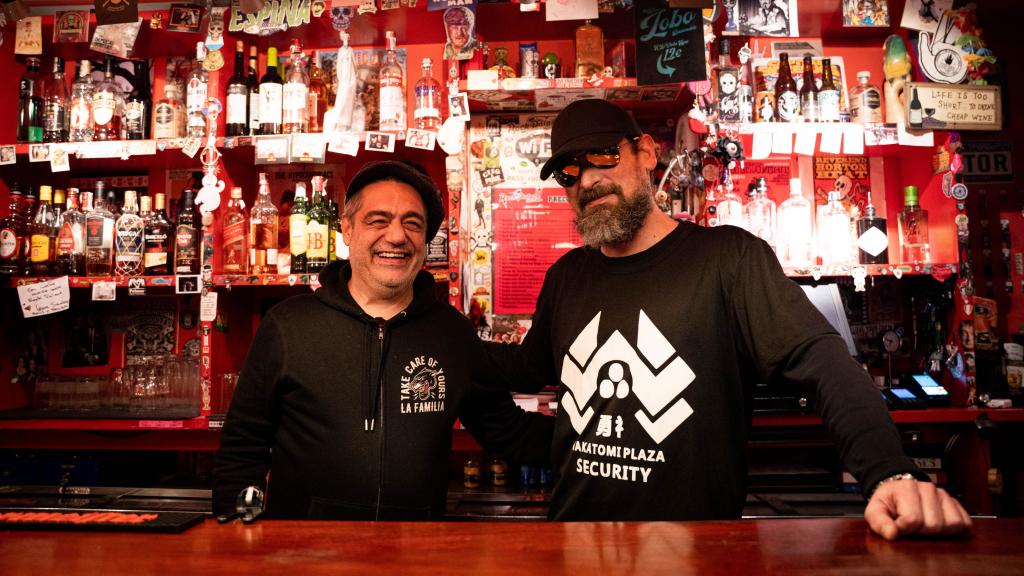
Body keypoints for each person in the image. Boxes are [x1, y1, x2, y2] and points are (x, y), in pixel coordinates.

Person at [481, 99, 971, 540]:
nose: (587, 180)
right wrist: (439, 341)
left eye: (603, 157)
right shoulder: (567, 275)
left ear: (646, 152)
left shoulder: (728, 260)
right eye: (569, 172)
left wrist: (890, 472)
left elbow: (822, 360)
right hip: (573, 546)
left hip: (699, 554)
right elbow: (528, 367)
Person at [214, 161, 552, 520]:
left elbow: (510, 433)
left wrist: (604, 435)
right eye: (378, 220)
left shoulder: (452, 334)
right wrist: (237, 539)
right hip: (306, 556)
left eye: (412, 223)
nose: (396, 236)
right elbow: (241, 448)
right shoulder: (287, 326)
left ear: (424, 241)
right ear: (346, 229)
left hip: (414, 555)